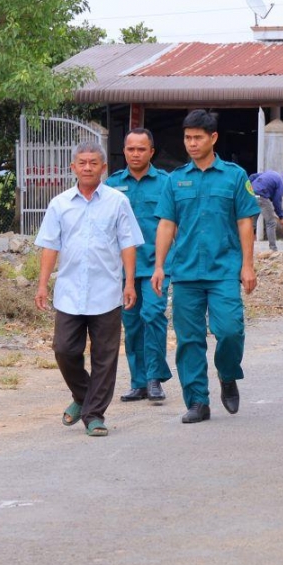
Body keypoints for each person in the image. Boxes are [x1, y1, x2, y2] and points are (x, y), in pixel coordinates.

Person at [151, 109, 261, 424]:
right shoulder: (175, 179)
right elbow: (166, 225)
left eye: (198, 137)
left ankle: (227, 374)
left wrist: (248, 265)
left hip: (224, 269)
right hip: (185, 273)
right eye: (188, 137)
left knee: (229, 330)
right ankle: (198, 401)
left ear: (213, 138)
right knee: (189, 340)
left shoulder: (234, 176)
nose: (192, 143)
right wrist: (159, 266)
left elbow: (245, 222)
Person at [34, 141, 142, 437]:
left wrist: (129, 282)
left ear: (103, 168)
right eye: (82, 163)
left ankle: (94, 414)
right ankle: (83, 396)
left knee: (105, 357)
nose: (88, 167)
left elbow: (128, 243)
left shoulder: (118, 202)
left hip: (107, 291)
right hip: (69, 291)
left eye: (94, 163)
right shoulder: (59, 204)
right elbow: (49, 246)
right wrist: (42, 285)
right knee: (65, 350)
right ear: (73, 167)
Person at [105, 128, 173, 405]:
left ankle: (155, 378)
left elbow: (173, 224)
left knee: (153, 315)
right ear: (124, 151)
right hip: (123, 269)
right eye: (131, 149)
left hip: (157, 265)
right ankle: (138, 382)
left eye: (141, 149)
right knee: (131, 323)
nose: (135, 154)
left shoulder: (166, 183)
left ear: (151, 152)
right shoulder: (111, 184)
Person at [248, 166, 283, 253]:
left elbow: (253, 176)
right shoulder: (282, 182)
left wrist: (249, 189)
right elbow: (277, 201)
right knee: (271, 222)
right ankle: (273, 249)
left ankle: (245, 248)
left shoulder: (272, 173)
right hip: (262, 196)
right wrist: (281, 217)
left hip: (251, 195)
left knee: (251, 224)